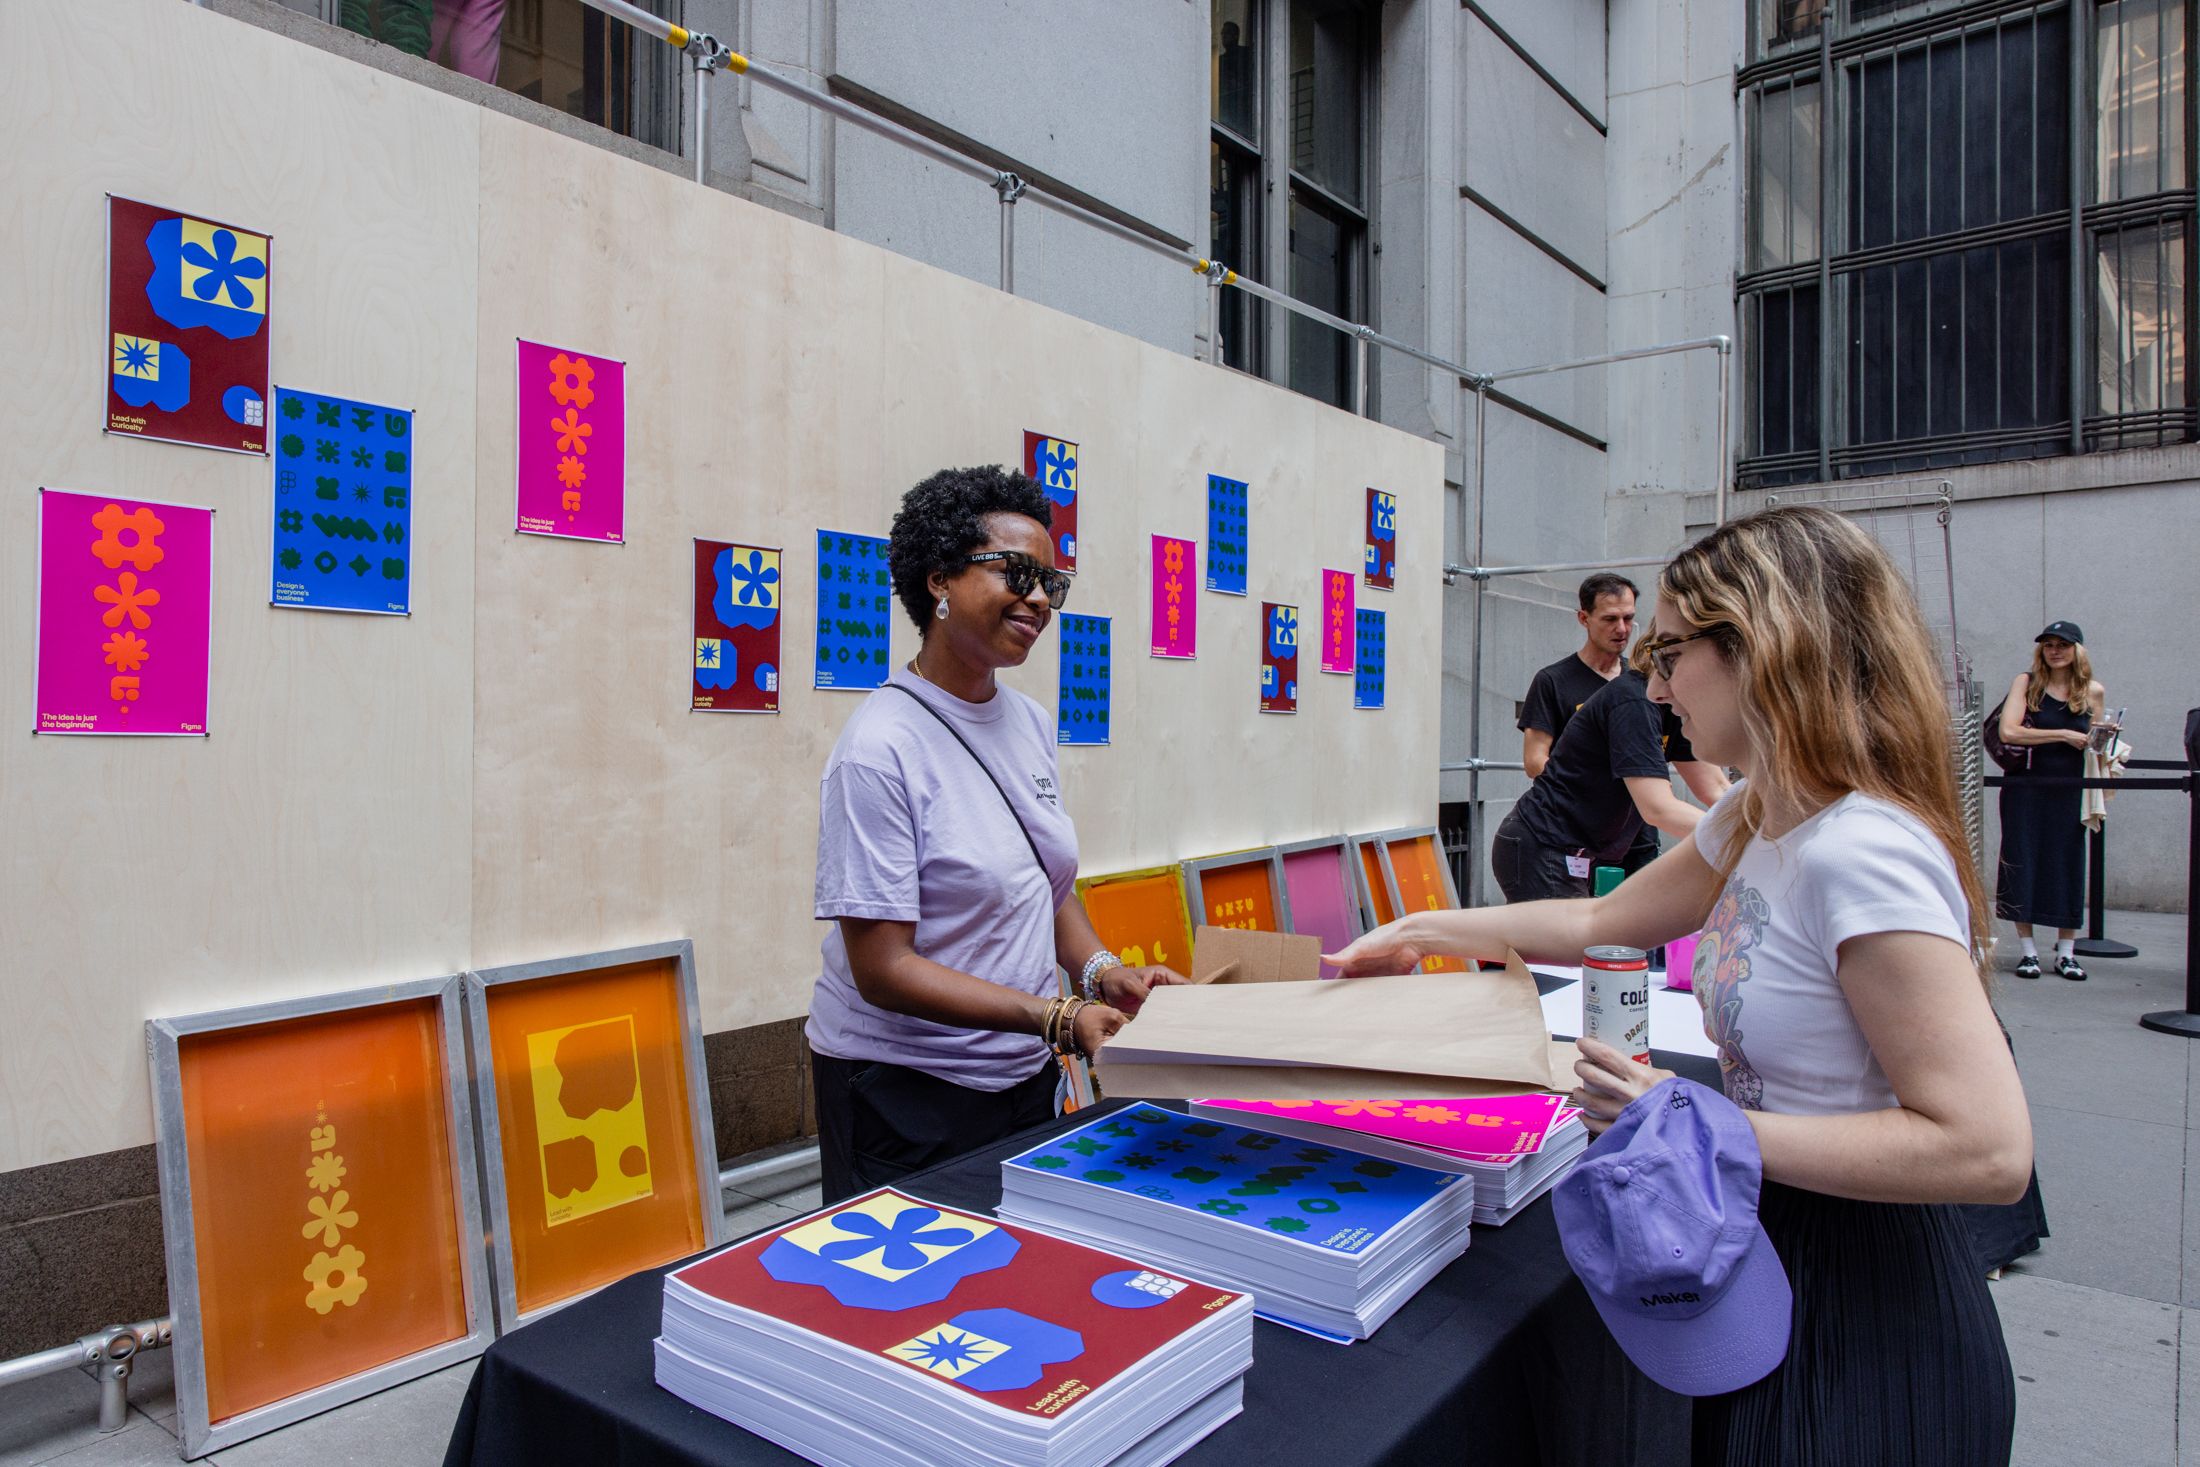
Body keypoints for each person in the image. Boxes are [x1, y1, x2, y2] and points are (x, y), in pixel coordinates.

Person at [1330, 505, 2030, 1464]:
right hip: (1774, 1239)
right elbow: (1599, 922)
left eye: (1670, 652)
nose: (1655, 686)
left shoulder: (1861, 849)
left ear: (1759, 647)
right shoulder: (1759, 811)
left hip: (1870, 1298)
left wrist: (1700, 1120)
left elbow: (1986, 1149)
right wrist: (1421, 926)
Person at [806, 466, 1180, 1204]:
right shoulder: (879, 748)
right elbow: (883, 967)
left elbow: (1044, 885)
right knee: (908, 1299)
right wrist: (1057, 1016)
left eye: (1051, 581)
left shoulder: (1030, 724)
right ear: (939, 580)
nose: (1039, 598)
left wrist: (1101, 973)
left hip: (1022, 1072)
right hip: (903, 1093)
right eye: (1016, 572)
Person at [1493, 636, 1728, 903]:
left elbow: (1717, 788)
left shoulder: (1674, 709)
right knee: (1566, 942)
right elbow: (1659, 808)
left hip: (1586, 850)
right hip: (1545, 844)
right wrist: (1738, 839)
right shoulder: (1634, 700)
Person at [1995, 621, 2111, 980]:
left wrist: (2105, 737)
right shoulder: (2026, 683)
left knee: (2067, 863)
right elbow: (2009, 730)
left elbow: (2093, 745)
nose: (2055, 650)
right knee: (2022, 859)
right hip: (2026, 785)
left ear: (2077, 650)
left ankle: (2066, 952)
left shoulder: (2091, 691)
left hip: (2069, 787)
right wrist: (2062, 733)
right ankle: (2028, 951)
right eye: (2048, 644)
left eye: (2063, 644)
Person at [1518, 573, 1639, 781]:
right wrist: (1586, 786)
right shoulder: (1552, 680)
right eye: (1610, 619)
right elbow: (1534, 761)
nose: (1621, 629)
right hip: (1572, 810)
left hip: (1635, 810)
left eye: (1628, 618)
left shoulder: (1642, 680)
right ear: (1584, 618)